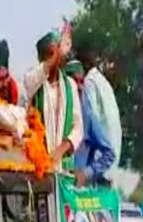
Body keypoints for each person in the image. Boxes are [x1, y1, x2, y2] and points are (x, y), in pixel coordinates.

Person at [24, 31, 83, 170]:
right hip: (38, 167)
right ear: (41, 59)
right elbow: (31, 82)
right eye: (50, 54)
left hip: (64, 168)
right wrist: (57, 52)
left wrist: (61, 150)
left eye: (57, 54)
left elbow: (78, 128)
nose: (55, 59)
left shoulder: (70, 86)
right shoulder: (33, 82)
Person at [73, 37, 123, 173]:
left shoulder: (89, 83)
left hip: (100, 163)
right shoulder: (103, 82)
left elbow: (88, 124)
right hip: (113, 161)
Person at [64, 59, 115, 187]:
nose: (80, 87)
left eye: (82, 82)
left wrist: (86, 173)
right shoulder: (56, 115)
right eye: (75, 82)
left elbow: (109, 154)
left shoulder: (88, 116)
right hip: (55, 187)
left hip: (78, 195)